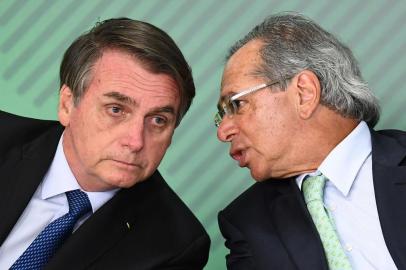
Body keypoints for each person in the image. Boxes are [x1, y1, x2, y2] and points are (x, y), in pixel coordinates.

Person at [0, 18, 210, 269]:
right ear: (67, 104)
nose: (135, 142)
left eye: (158, 120)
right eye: (116, 109)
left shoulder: (175, 246)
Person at [215, 12, 406, 270]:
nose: (223, 131)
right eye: (221, 115)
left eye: (237, 104)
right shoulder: (247, 223)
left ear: (304, 93)